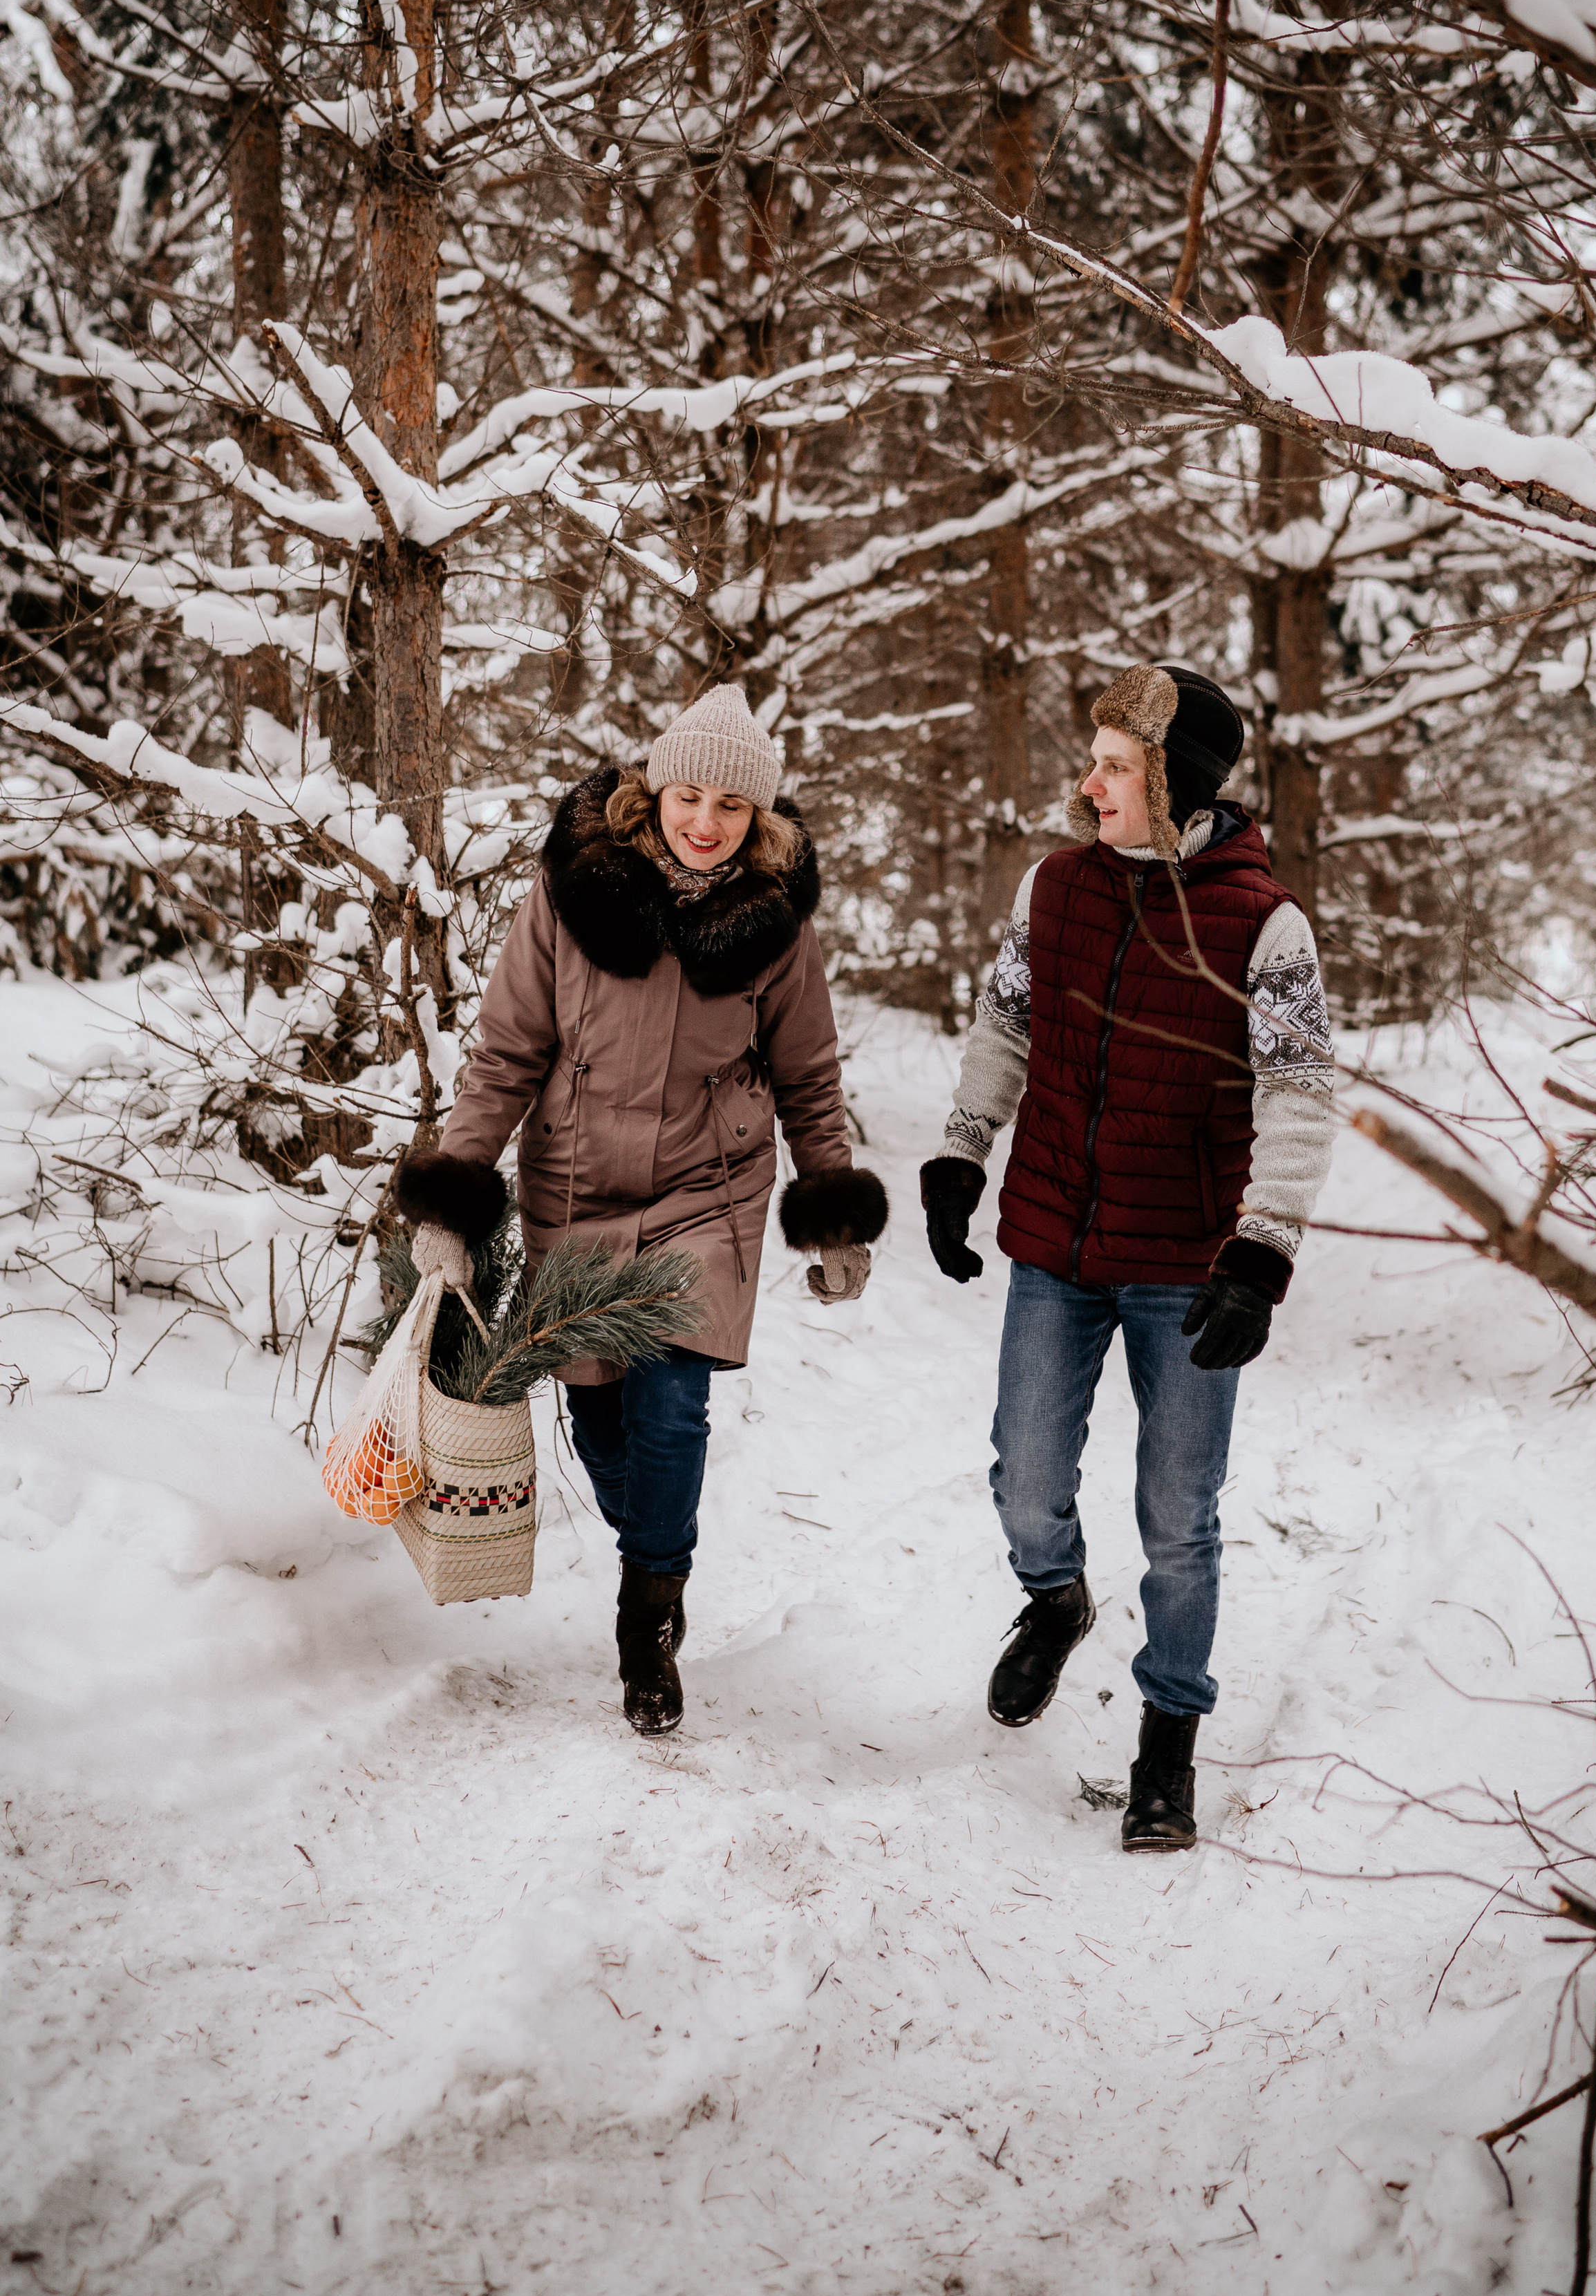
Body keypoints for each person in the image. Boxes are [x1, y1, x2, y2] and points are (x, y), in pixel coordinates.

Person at [396, 683, 887, 1735]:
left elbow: (809, 1075)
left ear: (759, 821)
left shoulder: (774, 924)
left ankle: (648, 1622)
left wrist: (836, 1215)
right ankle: (649, 1545)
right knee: (600, 1417)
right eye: (690, 796)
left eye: (732, 808)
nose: (705, 824)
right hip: (575, 1190)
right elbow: (506, 1054)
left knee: (673, 1405)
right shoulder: (571, 892)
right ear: (654, 790)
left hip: (709, 1193)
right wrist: (453, 1198)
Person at [919, 664, 1333, 1854]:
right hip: (1057, 1239)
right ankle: (1055, 1600)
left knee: (1178, 1519)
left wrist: (1262, 1251)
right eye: (1092, 759)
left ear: (1170, 781)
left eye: (1112, 765)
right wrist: (961, 1151)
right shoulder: (1052, 889)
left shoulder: (1266, 922)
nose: (1086, 782)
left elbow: (1301, 1092)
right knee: (1026, 1473)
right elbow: (1007, 1022)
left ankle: (1168, 1741)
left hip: (1188, 1265)